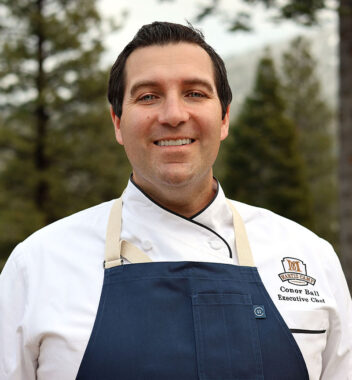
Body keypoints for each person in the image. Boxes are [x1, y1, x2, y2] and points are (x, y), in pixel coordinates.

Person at [0, 21, 351, 380]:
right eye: (148, 96)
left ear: (224, 118)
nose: (173, 115)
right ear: (118, 122)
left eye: (195, 94)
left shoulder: (310, 258)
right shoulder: (37, 266)